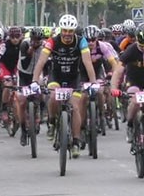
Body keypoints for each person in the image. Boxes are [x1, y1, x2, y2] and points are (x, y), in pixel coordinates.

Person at [31, 14, 97, 159]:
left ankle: (75, 141)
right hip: (56, 76)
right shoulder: (52, 41)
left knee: (75, 107)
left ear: (74, 31)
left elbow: (87, 62)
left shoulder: (81, 41)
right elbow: (41, 62)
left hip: (74, 77)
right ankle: (52, 122)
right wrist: (35, 81)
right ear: (61, 30)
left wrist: (93, 82)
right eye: (65, 30)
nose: (67, 34)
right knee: (54, 96)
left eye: (70, 31)